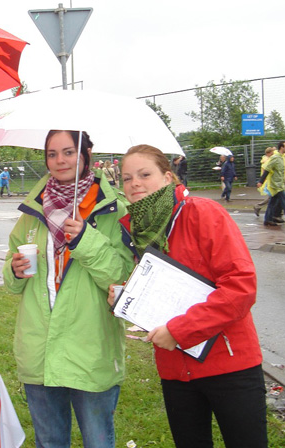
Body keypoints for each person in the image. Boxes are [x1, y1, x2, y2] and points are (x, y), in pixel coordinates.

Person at [113, 144, 267, 448]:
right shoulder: (141, 232)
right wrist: (126, 297)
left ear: (169, 177)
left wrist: (180, 330)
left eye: (145, 174)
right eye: (127, 178)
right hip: (175, 371)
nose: (135, 184)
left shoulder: (202, 212)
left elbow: (241, 286)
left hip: (229, 364)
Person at [3, 130, 133, 448]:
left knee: (97, 441)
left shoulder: (114, 209)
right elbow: (11, 277)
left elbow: (124, 279)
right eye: (52, 154)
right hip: (40, 347)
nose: (59, 161)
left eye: (69, 152)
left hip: (90, 347)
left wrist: (86, 241)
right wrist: (14, 270)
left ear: (86, 154)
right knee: (49, 442)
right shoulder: (32, 211)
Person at [257, 141, 285, 227]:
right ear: (281, 148)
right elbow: (267, 169)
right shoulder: (275, 158)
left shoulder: (283, 158)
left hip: (280, 184)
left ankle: (267, 220)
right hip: (276, 185)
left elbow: (282, 172)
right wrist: (261, 181)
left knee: (272, 203)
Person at [254, 147, 276, 217]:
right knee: (273, 197)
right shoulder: (267, 160)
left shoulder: (268, 159)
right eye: (272, 152)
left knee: (274, 197)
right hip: (269, 180)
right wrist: (262, 181)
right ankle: (276, 214)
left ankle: (277, 213)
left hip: (271, 180)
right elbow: (265, 171)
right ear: (269, 153)